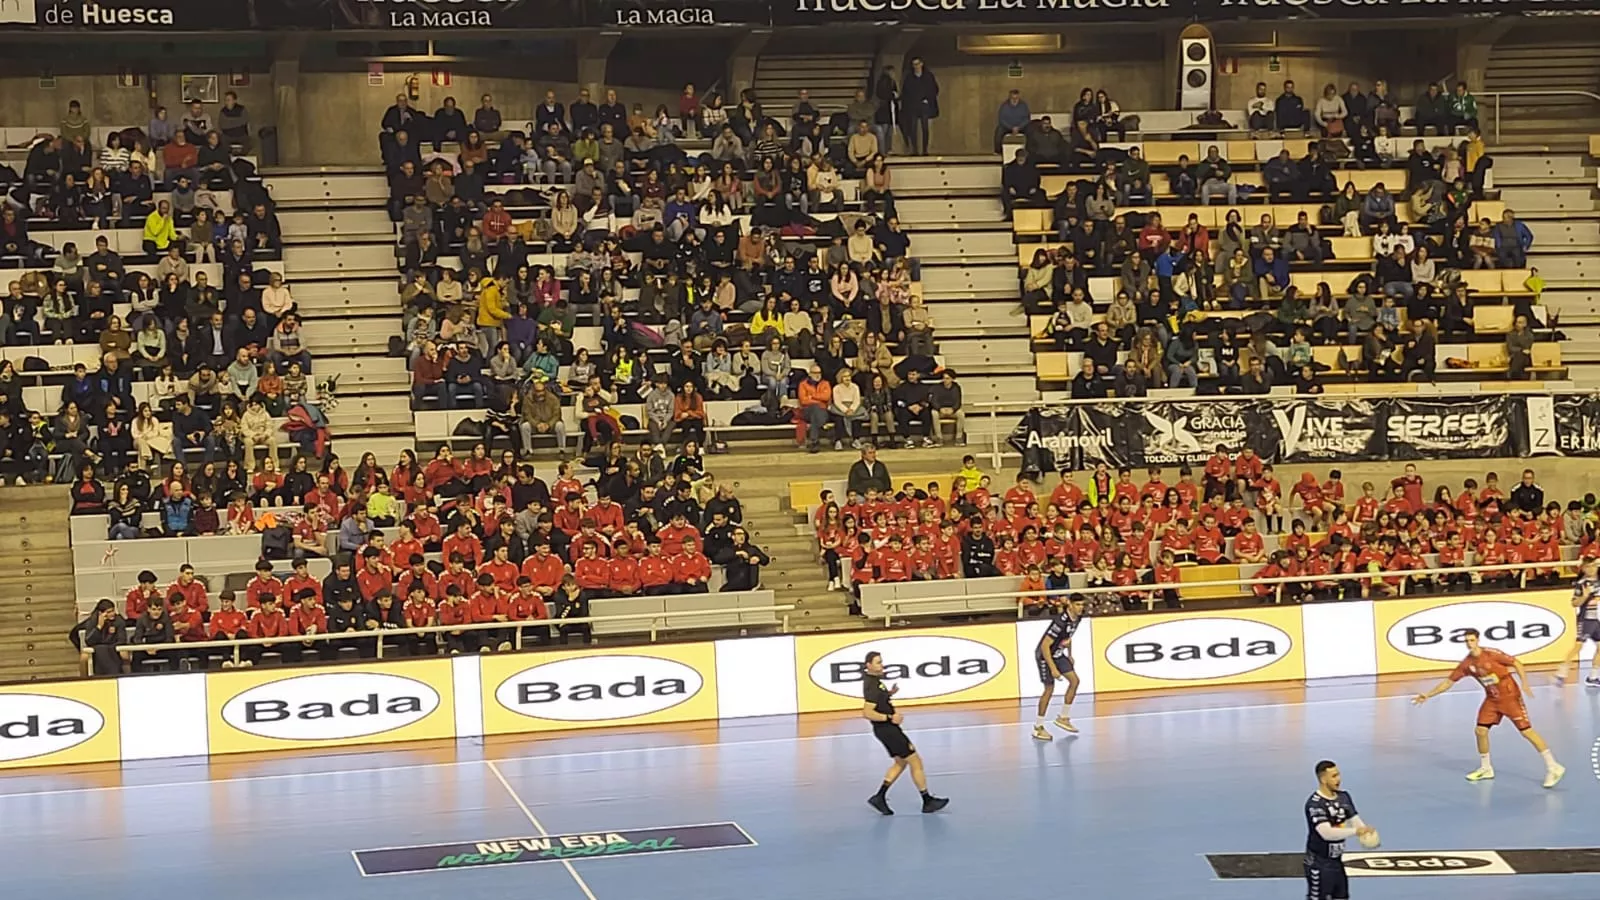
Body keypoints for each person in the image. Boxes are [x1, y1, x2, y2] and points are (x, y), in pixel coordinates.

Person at [1411, 628, 1564, 787]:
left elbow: (1516, 663)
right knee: (1480, 731)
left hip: (1510, 697)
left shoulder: (1492, 654)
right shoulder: (1467, 664)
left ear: (1478, 640)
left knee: (1527, 732)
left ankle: (1553, 766)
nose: (1469, 644)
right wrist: (1428, 695)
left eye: (1472, 640)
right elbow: (1448, 682)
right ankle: (1486, 768)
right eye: (1466, 641)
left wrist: (1524, 683)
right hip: (1492, 699)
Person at [861, 650, 949, 815]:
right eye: (878, 662)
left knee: (900, 762)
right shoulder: (871, 685)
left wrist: (888, 694)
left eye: (881, 662)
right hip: (888, 730)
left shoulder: (875, 682)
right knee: (916, 761)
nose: (882, 665)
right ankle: (927, 801)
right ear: (869, 665)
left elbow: (877, 700)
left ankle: (879, 797)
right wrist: (890, 717)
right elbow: (867, 712)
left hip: (886, 730)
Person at [1304, 760, 1376, 900]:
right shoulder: (1315, 804)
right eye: (1334, 776)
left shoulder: (1344, 797)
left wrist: (1366, 831)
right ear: (1323, 779)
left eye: (1338, 775)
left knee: (1342, 896)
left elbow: (1355, 820)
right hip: (1319, 864)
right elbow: (1326, 833)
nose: (1338, 779)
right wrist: (1355, 832)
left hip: (1337, 862)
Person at [1032, 593, 1085, 742]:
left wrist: (1070, 654)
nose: (1080, 608)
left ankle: (1063, 717)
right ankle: (1038, 727)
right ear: (1070, 605)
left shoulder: (1078, 618)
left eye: (1082, 605)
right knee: (1049, 689)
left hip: (1058, 654)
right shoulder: (1060, 622)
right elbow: (1045, 646)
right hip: (1045, 656)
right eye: (1077, 605)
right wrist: (1053, 669)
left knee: (1074, 681)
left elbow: (1068, 638)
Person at [1554, 560, 1600, 687]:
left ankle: (1593, 677)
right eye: (1588, 567)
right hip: (1585, 619)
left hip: (1595, 619)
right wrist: (1585, 596)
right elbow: (1574, 603)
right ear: (1583, 569)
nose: (1591, 569)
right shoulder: (1581, 584)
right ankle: (1561, 672)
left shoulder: (1598, 581)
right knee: (1578, 646)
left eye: (1593, 566)